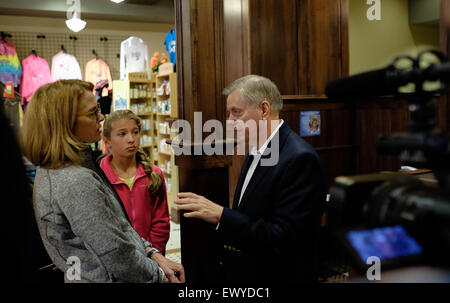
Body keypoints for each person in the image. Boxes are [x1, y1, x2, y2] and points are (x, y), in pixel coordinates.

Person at [21, 80, 184, 283]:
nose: (101, 117)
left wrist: (151, 252)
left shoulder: (71, 168)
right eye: (92, 112)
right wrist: (157, 275)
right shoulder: (74, 180)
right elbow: (116, 254)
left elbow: (118, 227)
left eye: (98, 109)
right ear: (66, 122)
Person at [175, 75, 327, 283]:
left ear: (264, 110)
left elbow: (282, 238)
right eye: (228, 113)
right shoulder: (256, 148)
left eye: (237, 113)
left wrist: (221, 215)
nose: (229, 121)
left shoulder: (300, 158)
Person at [100, 110, 170, 253]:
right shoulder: (99, 176)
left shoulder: (154, 174)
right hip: (116, 259)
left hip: (152, 258)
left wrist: (151, 254)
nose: (131, 139)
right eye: (122, 134)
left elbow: (161, 223)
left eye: (135, 132)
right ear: (107, 141)